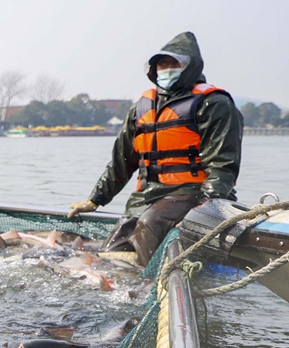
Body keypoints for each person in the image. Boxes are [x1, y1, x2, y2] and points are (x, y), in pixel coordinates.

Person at [67, 32, 242, 265]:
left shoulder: (214, 103)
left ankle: (152, 286)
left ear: (191, 67)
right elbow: (122, 161)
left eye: (174, 64)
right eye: (162, 63)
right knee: (112, 250)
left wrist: (208, 207)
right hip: (148, 196)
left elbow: (223, 163)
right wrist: (95, 199)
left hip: (193, 193)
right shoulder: (141, 107)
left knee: (150, 223)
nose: (167, 69)